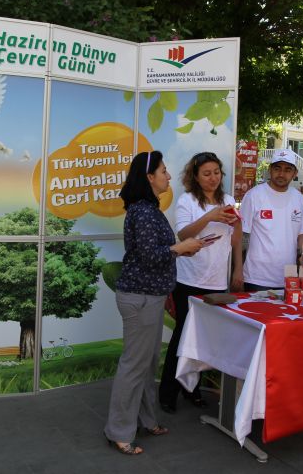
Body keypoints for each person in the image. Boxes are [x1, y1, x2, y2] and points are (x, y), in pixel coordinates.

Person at [104, 151, 206, 455]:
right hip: (141, 298)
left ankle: (147, 421)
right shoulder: (144, 211)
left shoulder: (148, 209)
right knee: (134, 367)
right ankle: (118, 431)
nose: (168, 176)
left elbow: (157, 250)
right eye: (163, 170)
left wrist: (180, 250)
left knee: (146, 365)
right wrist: (180, 247)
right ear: (149, 177)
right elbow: (150, 257)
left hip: (149, 297)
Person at [159, 152, 243, 413]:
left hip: (217, 281)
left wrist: (238, 268)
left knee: (207, 340)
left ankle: (192, 390)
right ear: (195, 176)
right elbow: (183, 234)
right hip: (189, 280)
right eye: (206, 174)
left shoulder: (228, 201)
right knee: (183, 337)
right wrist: (210, 217)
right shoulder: (187, 201)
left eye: (216, 172)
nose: (213, 178)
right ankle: (167, 393)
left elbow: (236, 238)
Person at [239, 148, 303, 291]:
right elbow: (239, 234)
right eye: (277, 168)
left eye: (287, 169)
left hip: (288, 278)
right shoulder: (254, 195)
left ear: (295, 173)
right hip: (257, 278)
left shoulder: (297, 198)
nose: (281, 174)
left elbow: (302, 232)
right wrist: (238, 270)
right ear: (270, 169)